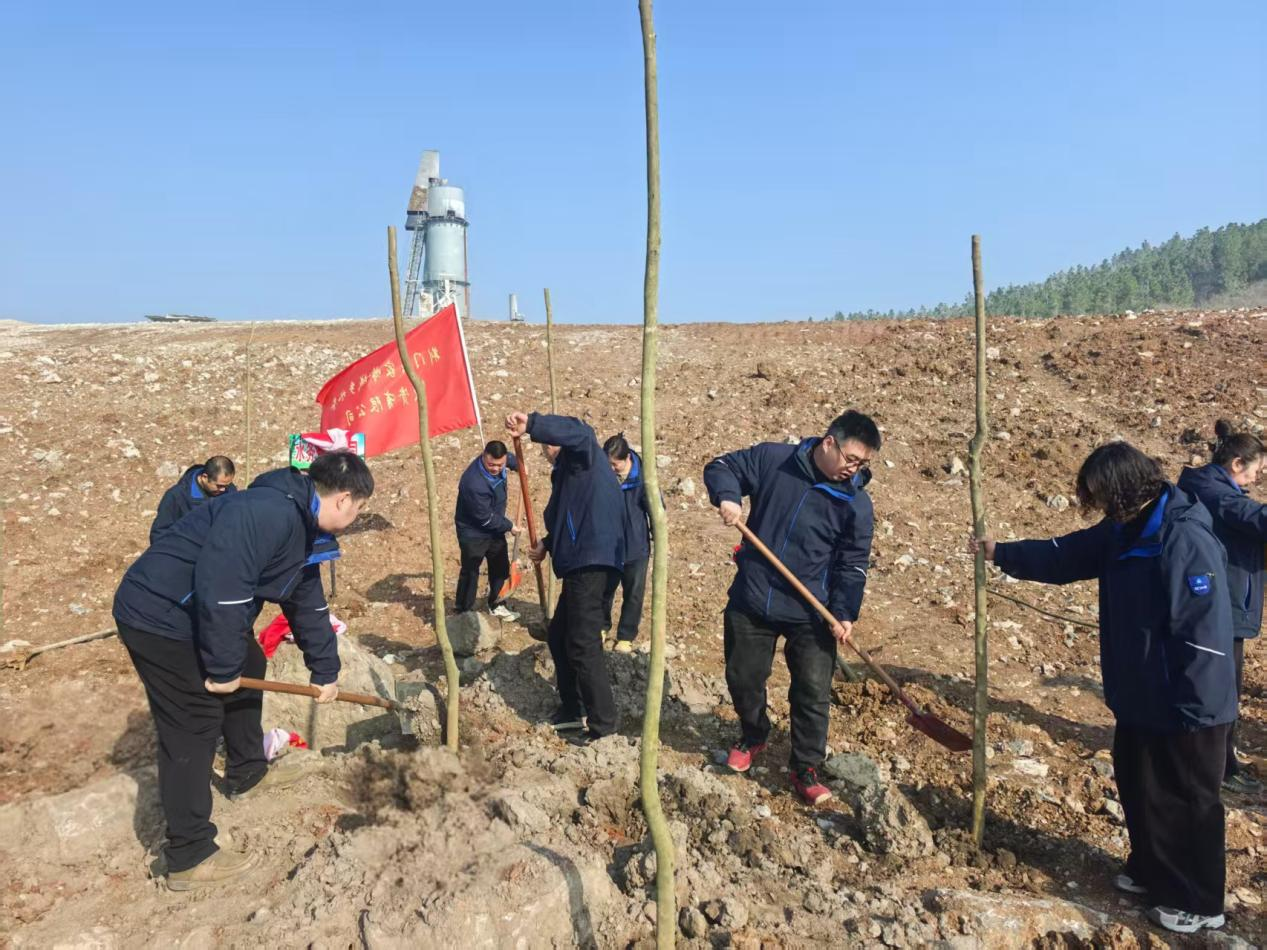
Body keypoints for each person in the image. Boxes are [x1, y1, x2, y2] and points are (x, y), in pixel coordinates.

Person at [973, 442, 1235, 935]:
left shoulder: (1182, 537)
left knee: (1187, 798)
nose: (1095, 506)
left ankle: (1198, 900)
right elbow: (1066, 555)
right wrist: (1000, 553)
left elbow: (1205, 634)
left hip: (1188, 700)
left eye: (1099, 496)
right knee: (1140, 785)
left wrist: (1194, 706)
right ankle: (1151, 869)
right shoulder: (1122, 529)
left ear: (1123, 490)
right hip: (1141, 693)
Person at [113, 452, 373, 891]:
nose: (357, 517)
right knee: (193, 719)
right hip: (157, 615)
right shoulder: (267, 513)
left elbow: (306, 601)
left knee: (251, 661)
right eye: (360, 508)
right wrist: (221, 669)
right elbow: (223, 589)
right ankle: (189, 855)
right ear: (344, 498)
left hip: (193, 614)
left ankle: (247, 772)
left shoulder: (302, 521)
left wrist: (325, 670)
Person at [703, 410, 879, 806]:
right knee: (743, 677)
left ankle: (806, 767)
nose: (853, 469)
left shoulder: (855, 504)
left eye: (862, 464)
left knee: (812, 693)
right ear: (829, 443)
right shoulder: (774, 460)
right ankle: (753, 734)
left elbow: (853, 564)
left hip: (812, 612)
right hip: (754, 596)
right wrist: (728, 496)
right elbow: (722, 467)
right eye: (851, 459)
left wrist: (844, 611)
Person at [505, 410, 624, 744]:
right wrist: (547, 543)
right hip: (579, 563)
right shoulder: (568, 476)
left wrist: (532, 424)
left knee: (583, 643)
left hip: (593, 561)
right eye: (545, 445)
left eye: (550, 442)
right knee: (558, 636)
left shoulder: (585, 456)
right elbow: (568, 519)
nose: (547, 448)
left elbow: (580, 431)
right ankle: (572, 708)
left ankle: (603, 726)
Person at [1177, 419, 1266, 794]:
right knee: (1219, 691)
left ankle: (1225, 762)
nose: (1257, 479)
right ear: (1237, 463)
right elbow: (1251, 517)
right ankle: (1215, 769)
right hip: (1217, 609)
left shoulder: (1215, 488)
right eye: (1257, 470)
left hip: (1227, 607)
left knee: (1227, 689)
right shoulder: (1209, 490)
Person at [454, 440, 521, 622]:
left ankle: (497, 604)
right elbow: (484, 518)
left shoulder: (502, 461)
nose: (496, 469)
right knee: (471, 570)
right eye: (491, 464)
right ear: (484, 456)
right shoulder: (473, 482)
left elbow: (511, 459)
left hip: (494, 528)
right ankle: (463, 610)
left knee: (500, 566)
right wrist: (509, 526)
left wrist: (520, 466)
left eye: (500, 465)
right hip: (473, 531)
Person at [601, 433, 652, 654]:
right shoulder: (603, 476)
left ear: (627, 458)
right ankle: (601, 626)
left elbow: (656, 510)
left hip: (635, 546)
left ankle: (626, 636)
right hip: (608, 546)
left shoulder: (643, 478)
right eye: (608, 464)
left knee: (633, 593)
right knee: (604, 590)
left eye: (616, 464)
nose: (611, 469)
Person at [150, 456, 238, 543]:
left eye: (227, 485)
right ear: (204, 477)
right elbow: (159, 534)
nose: (223, 489)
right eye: (219, 486)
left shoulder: (229, 490)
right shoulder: (176, 496)